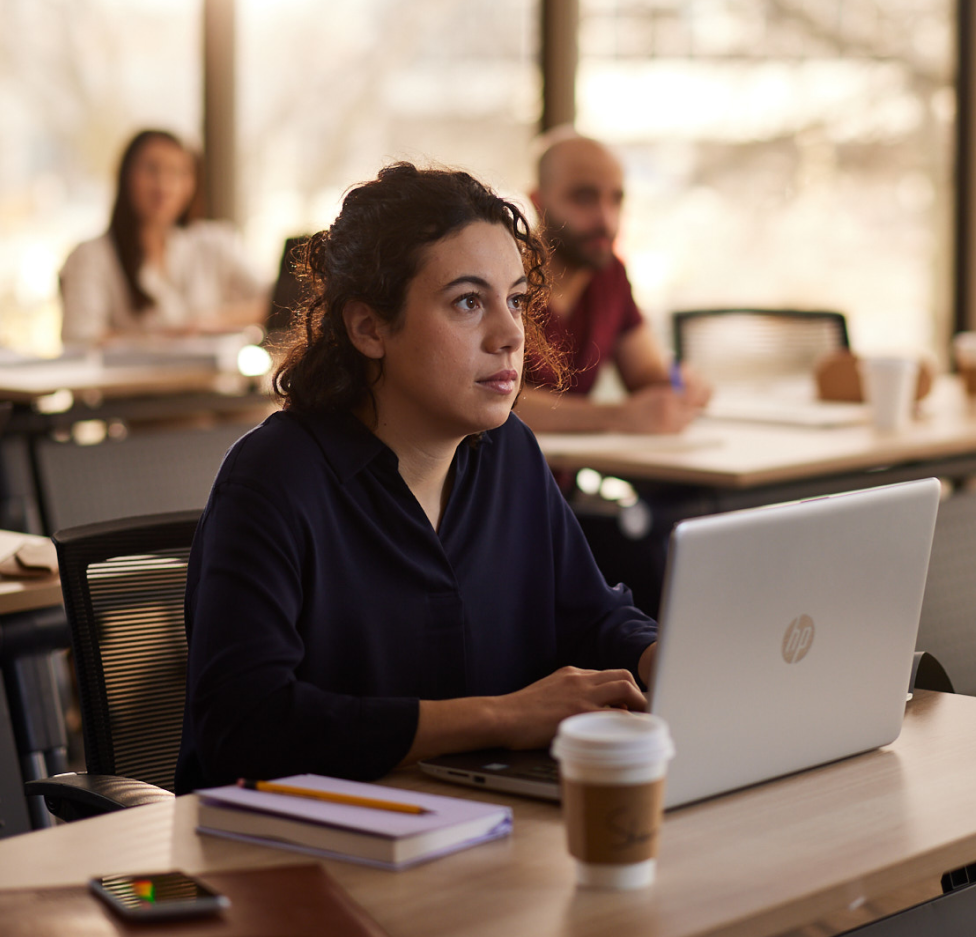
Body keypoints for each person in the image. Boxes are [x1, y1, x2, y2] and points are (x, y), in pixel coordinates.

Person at [174, 162, 657, 794]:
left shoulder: (508, 453)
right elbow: (246, 728)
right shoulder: (274, 479)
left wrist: (666, 657)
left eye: (514, 300)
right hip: (295, 854)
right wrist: (503, 717)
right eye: (467, 302)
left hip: (478, 829)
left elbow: (592, 618)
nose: (511, 334)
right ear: (369, 327)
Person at [516, 129, 711, 434]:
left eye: (616, 200)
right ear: (538, 201)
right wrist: (616, 417)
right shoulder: (502, 279)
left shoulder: (610, 275)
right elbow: (493, 402)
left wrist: (676, 384)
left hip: (567, 476)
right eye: (584, 198)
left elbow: (644, 371)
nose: (606, 220)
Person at [59, 129, 269, 347]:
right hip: (136, 381)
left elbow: (277, 300)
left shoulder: (212, 243)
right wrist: (168, 340)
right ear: (126, 176)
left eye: (178, 172)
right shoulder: (91, 256)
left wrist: (214, 321)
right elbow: (80, 338)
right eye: (151, 170)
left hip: (215, 380)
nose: (164, 185)